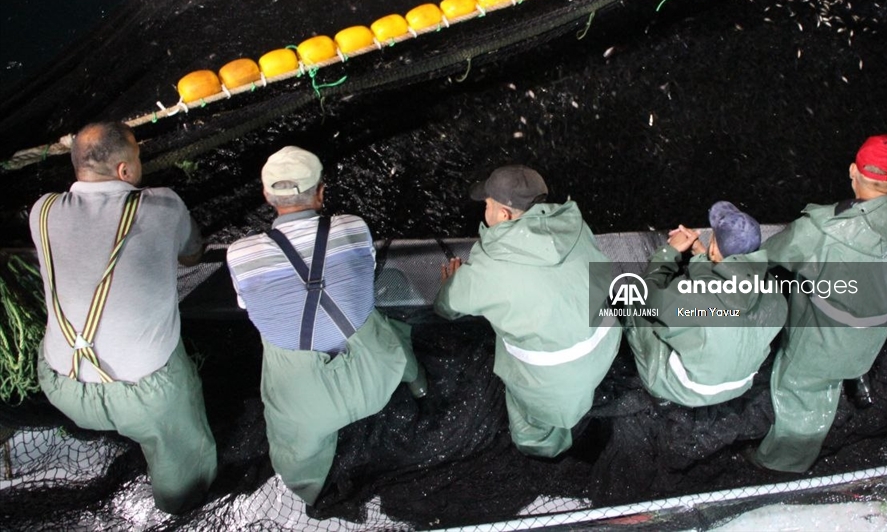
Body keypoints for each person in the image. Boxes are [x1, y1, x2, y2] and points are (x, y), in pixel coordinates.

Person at [30, 121, 217, 514]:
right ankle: (182, 499)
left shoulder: (41, 211)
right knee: (178, 447)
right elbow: (192, 254)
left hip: (62, 388)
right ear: (125, 170)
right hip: (146, 400)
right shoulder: (163, 205)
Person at [226, 146, 425, 507]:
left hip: (305, 408)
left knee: (294, 448)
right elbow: (366, 270)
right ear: (320, 192)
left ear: (267, 196)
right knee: (374, 322)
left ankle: (309, 493)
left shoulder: (240, 253)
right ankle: (416, 382)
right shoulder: (352, 226)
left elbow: (248, 305)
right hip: (378, 378)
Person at [750, 134, 887, 472]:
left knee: (802, 389)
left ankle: (783, 463)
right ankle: (855, 375)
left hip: (825, 339)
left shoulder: (823, 229)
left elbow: (769, 255)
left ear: (852, 171)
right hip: (873, 334)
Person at [434, 164, 621, 458]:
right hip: (603, 347)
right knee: (570, 394)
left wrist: (451, 285)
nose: (485, 210)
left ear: (504, 215)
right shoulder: (575, 225)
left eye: (487, 205)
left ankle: (544, 449)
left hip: (552, 379)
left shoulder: (489, 268)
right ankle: (568, 419)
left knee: (534, 416)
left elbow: (447, 307)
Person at [627, 202, 787, 407]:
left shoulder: (690, 299)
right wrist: (702, 254)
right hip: (741, 383)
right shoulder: (773, 291)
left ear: (714, 248)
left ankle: (661, 391)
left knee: (635, 302)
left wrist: (668, 252)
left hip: (692, 390)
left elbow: (647, 295)